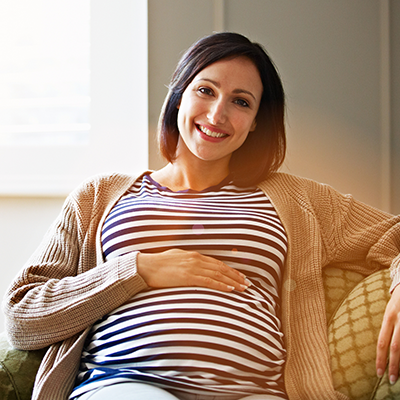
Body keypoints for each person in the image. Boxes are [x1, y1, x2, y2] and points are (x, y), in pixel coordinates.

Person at [2, 32, 400, 400]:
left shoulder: (298, 200)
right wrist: (138, 270)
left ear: (257, 122)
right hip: (125, 384)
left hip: (254, 392)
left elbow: (393, 233)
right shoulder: (99, 196)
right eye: (205, 91)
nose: (217, 114)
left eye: (241, 101)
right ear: (179, 97)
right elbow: (22, 316)